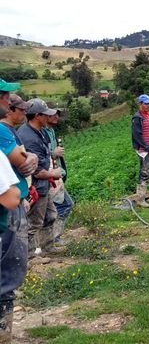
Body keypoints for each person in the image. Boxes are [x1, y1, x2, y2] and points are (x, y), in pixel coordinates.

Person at [0, 81, 37, 343]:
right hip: (6, 214)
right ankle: (4, 332)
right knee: (9, 271)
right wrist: (30, 161)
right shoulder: (2, 133)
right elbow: (11, 195)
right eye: (4, 97)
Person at [18, 98, 62, 257]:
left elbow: (43, 156)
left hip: (44, 184)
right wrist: (53, 173)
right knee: (33, 223)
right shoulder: (29, 137)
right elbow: (35, 170)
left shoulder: (39, 131)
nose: (49, 117)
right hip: (36, 186)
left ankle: (48, 247)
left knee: (50, 215)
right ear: (37, 116)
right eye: (46, 115)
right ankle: (28, 257)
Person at [43, 110, 74, 242]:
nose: (56, 117)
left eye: (57, 114)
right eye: (53, 114)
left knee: (56, 207)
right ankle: (52, 238)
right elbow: (40, 153)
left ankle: (51, 239)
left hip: (56, 174)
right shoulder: (42, 132)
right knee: (65, 205)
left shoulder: (51, 131)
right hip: (48, 175)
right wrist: (53, 153)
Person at [131, 94, 149, 207]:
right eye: (146, 103)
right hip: (144, 150)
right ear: (140, 104)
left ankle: (141, 197)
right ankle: (140, 199)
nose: (148, 105)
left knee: (147, 172)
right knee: (145, 172)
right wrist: (148, 148)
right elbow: (137, 137)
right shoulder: (137, 118)